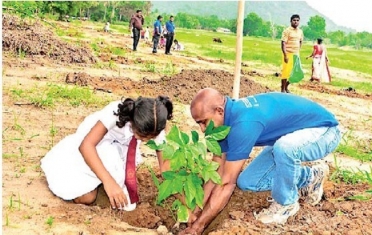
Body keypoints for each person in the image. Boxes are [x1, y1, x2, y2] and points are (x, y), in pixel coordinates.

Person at [180, 88, 341, 234]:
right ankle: (311, 177)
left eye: (203, 122)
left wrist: (199, 226)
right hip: (289, 138)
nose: (202, 129)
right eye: (198, 123)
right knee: (248, 182)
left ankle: (286, 204)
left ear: (219, 111)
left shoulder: (243, 123)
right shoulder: (222, 125)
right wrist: (196, 210)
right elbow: (216, 171)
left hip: (324, 132)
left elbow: (226, 183)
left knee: (284, 149)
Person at [41, 96, 173, 211]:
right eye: (143, 136)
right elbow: (86, 146)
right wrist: (108, 182)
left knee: (124, 202)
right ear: (134, 121)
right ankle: (100, 180)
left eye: (149, 138)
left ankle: (103, 179)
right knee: (87, 198)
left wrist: (187, 206)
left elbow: (166, 169)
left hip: (116, 153)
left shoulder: (155, 126)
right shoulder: (115, 112)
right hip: (94, 148)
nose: (145, 141)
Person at [280, 14, 304, 93]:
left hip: (296, 54)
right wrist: (285, 55)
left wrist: (298, 50)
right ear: (291, 21)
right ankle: (283, 89)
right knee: (286, 73)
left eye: (297, 20)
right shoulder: (287, 31)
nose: (296, 22)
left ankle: (286, 86)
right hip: (288, 54)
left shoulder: (300, 31)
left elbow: (301, 41)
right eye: (294, 20)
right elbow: (283, 43)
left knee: (297, 73)